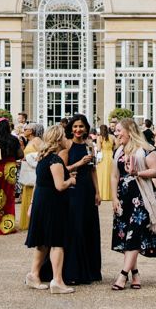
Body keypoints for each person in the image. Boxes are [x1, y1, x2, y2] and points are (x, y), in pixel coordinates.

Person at [111, 118, 156, 290]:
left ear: (129, 131)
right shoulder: (119, 151)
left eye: (118, 130)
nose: (116, 133)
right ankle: (135, 273)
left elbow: (155, 172)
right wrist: (114, 198)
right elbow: (114, 176)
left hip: (142, 198)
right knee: (126, 235)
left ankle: (123, 275)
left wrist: (137, 172)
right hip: (123, 198)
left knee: (135, 235)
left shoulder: (147, 149)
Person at [24, 125, 77, 294]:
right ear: (58, 139)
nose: (66, 139)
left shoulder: (42, 158)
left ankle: (34, 274)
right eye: (63, 136)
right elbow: (60, 186)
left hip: (41, 201)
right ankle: (58, 281)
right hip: (52, 203)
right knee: (57, 242)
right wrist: (71, 181)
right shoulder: (55, 160)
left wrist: (32, 204)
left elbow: (39, 182)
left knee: (43, 242)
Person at [57, 113, 101, 285]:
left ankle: (90, 269)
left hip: (87, 190)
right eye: (75, 126)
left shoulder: (90, 145)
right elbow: (61, 169)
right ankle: (73, 271)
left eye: (81, 126)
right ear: (71, 128)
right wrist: (78, 164)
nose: (78, 129)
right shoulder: (66, 147)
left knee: (88, 227)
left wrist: (97, 192)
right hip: (72, 189)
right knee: (75, 227)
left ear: (86, 128)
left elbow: (93, 170)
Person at [19, 123, 44, 230]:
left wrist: (28, 158)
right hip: (28, 172)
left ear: (32, 131)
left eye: (26, 129)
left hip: (33, 173)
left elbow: (42, 154)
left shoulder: (37, 140)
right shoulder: (30, 141)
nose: (24, 130)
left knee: (32, 196)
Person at [96, 124, 116, 201]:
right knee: (110, 175)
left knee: (102, 175)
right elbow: (116, 147)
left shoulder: (100, 138)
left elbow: (98, 149)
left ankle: (102, 194)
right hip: (111, 156)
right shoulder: (112, 137)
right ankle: (111, 194)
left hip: (103, 157)